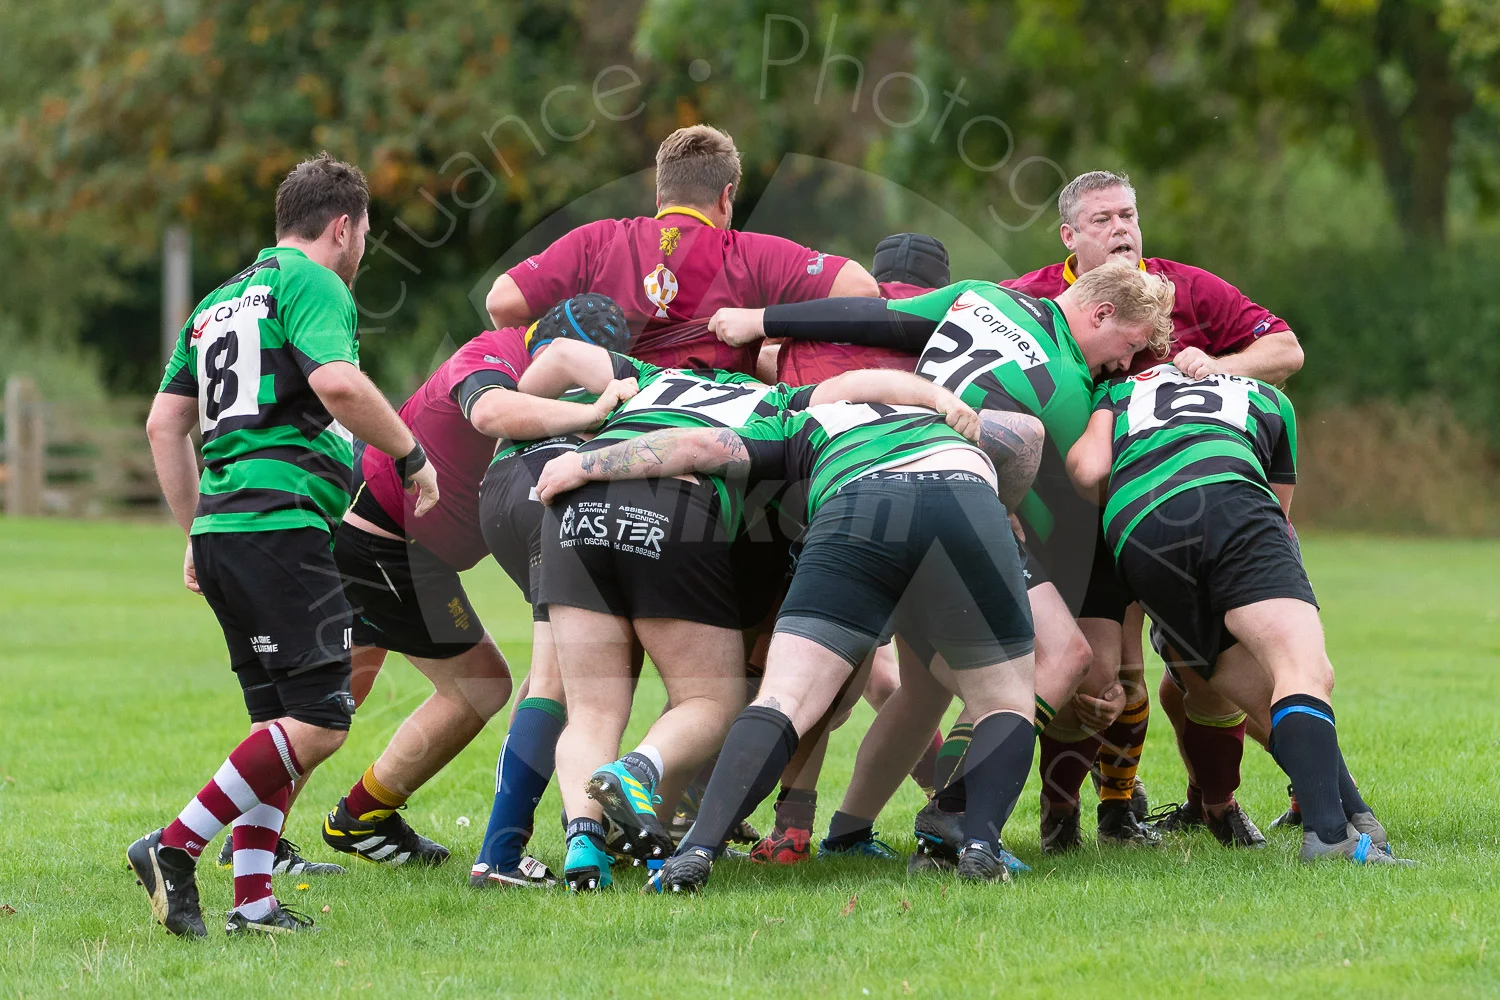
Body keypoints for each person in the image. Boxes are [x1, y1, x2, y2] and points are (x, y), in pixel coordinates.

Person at [707, 259, 1174, 859]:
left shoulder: (982, 296)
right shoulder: (1066, 384)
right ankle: (951, 814)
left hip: (876, 492)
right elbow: (1073, 518)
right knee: (1064, 657)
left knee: (922, 691)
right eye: (1129, 345)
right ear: (1101, 314)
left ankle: (846, 833)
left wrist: (761, 320)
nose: (1123, 362)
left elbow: (876, 317)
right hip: (952, 509)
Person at [533, 393, 1047, 889]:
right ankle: (981, 847)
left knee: (784, 699)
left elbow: (698, 446)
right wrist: (1006, 505)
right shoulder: (933, 414)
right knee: (1004, 701)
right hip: (966, 495)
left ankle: (696, 850)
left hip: (859, 502)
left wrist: (585, 464)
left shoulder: (799, 420)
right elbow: (1025, 434)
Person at [130, 154, 438, 937]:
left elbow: (165, 424)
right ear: (343, 227)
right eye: (364, 234)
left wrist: (195, 529)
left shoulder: (216, 302)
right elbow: (338, 383)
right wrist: (410, 454)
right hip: (280, 524)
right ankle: (173, 846)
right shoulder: (316, 283)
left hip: (229, 529)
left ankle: (254, 902)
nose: (362, 249)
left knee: (279, 723)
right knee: (323, 721)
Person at [1003, 170, 1304, 846]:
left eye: (1129, 215)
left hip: (1185, 502)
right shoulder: (1030, 298)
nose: (1121, 229)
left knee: (1208, 671)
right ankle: (1070, 813)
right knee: (1102, 674)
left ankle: (1218, 802)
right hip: (1080, 512)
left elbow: (1287, 349)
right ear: (1069, 236)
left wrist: (1220, 368)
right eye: (1103, 219)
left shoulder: (1186, 286)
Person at [318, 296, 636, 874]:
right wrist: (590, 412)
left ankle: (268, 834)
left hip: (400, 547)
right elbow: (489, 413)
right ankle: (357, 818)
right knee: (481, 685)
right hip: (390, 544)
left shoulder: (531, 363)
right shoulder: (496, 351)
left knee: (330, 699)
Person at [1066, 363, 1409, 866]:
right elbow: (1278, 517)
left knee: (1261, 697)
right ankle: (1329, 837)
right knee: (1301, 669)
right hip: (1229, 496)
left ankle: (1354, 815)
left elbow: (1089, 473)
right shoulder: (1267, 396)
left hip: (1136, 525)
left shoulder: (1115, 391)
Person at [751, 232, 954, 866]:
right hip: (903, 497)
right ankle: (939, 805)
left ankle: (788, 825)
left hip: (791, 499)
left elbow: (768, 377)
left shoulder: (809, 327)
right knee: (881, 677)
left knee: (829, 671)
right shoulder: (947, 330)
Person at [484, 124, 879, 374]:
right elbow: (861, 289)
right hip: (712, 424)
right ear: (725, 197)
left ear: (660, 197)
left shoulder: (598, 240)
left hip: (607, 415)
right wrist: (764, 321)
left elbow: (502, 302)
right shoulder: (751, 254)